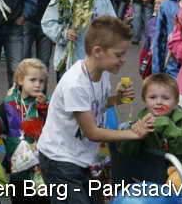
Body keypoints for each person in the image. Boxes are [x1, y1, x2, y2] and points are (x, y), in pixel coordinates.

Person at [37, 16, 154, 203]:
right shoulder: (76, 84)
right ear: (98, 51)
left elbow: (94, 104)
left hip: (80, 158)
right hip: (59, 160)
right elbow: (92, 132)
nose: (123, 60)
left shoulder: (102, 73)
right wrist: (133, 133)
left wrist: (117, 100)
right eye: (119, 55)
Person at [42, 0, 116, 73]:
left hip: (96, 63)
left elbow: (113, 24)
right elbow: (47, 22)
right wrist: (64, 33)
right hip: (69, 62)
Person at [0, 58, 49, 204]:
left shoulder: (44, 103)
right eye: (33, 80)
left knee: (43, 198)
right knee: (20, 197)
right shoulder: (10, 103)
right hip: (18, 164)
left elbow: (53, 124)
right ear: (20, 80)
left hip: (40, 164)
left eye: (41, 81)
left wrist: (44, 108)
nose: (38, 84)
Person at [118, 73, 182, 157]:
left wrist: (168, 127)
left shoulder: (180, 122)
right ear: (144, 100)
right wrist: (134, 136)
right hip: (147, 164)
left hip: (171, 164)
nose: (159, 102)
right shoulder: (140, 122)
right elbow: (125, 152)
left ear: (176, 102)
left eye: (165, 98)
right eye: (152, 97)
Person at [139, 0, 170, 79]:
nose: (156, 5)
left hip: (166, 61)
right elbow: (146, 44)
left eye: (160, 3)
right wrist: (142, 61)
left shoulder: (170, 22)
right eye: (156, 3)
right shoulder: (151, 22)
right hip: (152, 60)